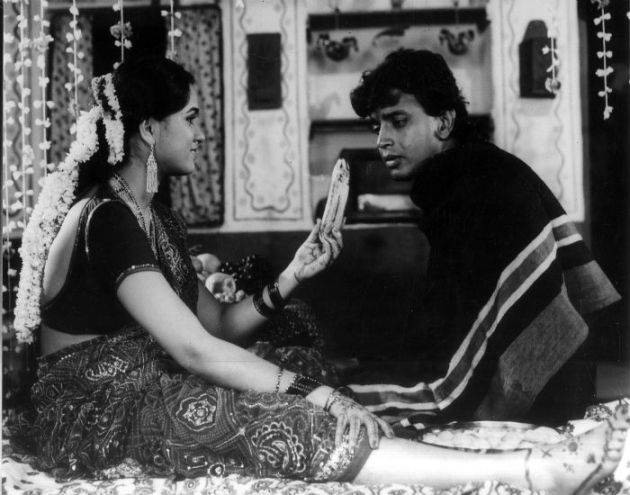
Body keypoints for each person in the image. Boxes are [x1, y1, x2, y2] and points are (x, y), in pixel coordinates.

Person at [9, 56, 628, 493]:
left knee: (299, 367)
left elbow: (217, 326)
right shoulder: (107, 218)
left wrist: (293, 274)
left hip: (152, 380)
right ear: (149, 129)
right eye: (191, 118)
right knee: (273, 412)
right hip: (96, 409)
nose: (199, 134)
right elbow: (196, 350)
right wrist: (316, 397)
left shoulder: (156, 218)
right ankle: (524, 473)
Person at [346, 49, 621, 424]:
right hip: (555, 375)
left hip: (541, 391)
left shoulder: (479, 184)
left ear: (444, 122)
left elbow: (464, 337)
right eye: (376, 127)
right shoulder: (466, 173)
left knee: (348, 400)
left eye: (398, 121)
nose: (382, 139)